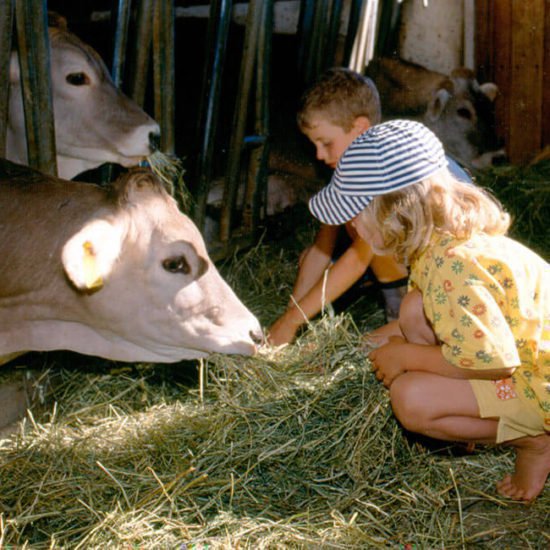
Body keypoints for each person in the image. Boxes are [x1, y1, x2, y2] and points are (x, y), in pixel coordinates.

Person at [308, 118, 549, 502]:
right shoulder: (442, 247)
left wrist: (405, 357)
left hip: (539, 387)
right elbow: (428, 322)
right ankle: (479, 418)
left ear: (395, 210)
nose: (352, 226)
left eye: (356, 213)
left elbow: (493, 361)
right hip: (525, 361)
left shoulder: (455, 269)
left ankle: (533, 441)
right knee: (414, 309)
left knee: (411, 399)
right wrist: (354, 349)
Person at [268, 68, 409, 346]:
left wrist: (291, 322)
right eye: (314, 145)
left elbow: (356, 262)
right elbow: (321, 250)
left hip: (435, 286)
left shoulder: (382, 170)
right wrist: (289, 318)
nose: (319, 155)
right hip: (394, 270)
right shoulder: (348, 170)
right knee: (310, 256)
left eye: (326, 143)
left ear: (359, 129)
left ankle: (401, 320)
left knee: (353, 352)